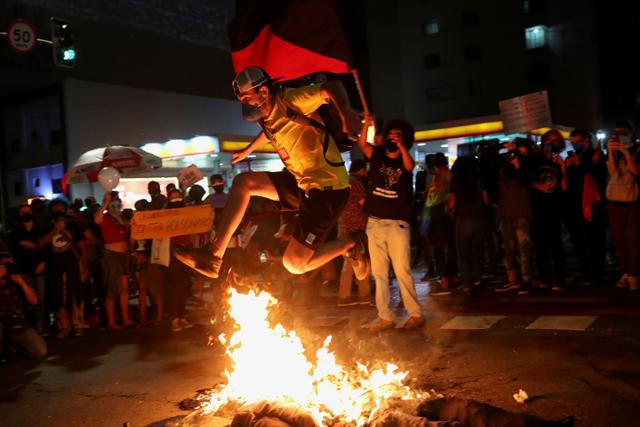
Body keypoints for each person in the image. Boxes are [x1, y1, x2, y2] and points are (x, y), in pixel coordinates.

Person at [175, 66, 369, 282]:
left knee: (294, 264)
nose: (244, 103)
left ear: (264, 92)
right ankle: (213, 256)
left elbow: (332, 87)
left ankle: (351, 244)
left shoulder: (290, 100)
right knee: (244, 182)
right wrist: (247, 151)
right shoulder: (268, 117)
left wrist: (346, 112)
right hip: (301, 184)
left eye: (246, 97)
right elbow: (270, 132)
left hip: (327, 190)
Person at [358, 118, 423, 331]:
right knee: (379, 272)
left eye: (398, 135)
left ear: (406, 139)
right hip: (375, 222)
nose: (393, 138)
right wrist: (366, 125)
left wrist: (402, 146)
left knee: (402, 270)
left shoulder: (405, 162)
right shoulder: (376, 155)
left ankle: (415, 314)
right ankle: (385, 317)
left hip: (397, 225)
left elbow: (409, 166)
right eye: (391, 135)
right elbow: (362, 145)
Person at [529, 129, 568, 291]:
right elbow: (527, 181)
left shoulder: (559, 162)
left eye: (555, 142)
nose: (551, 145)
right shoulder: (535, 161)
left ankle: (559, 279)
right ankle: (545, 277)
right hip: (538, 208)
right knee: (540, 245)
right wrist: (540, 186)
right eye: (549, 141)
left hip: (554, 208)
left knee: (556, 244)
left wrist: (563, 168)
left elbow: (564, 187)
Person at [495, 138, 534, 294]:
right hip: (505, 213)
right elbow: (489, 157)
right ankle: (512, 279)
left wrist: (519, 165)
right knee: (507, 248)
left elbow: (526, 180)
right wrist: (503, 147)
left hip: (521, 212)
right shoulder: (504, 167)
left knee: (524, 248)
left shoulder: (526, 166)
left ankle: (526, 279)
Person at [449, 156, 489, 294]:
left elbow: (451, 204)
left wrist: (450, 211)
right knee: (477, 252)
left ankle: (466, 283)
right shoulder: (478, 181)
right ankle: (477, 279)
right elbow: (486, 200)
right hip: (479, 219)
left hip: (464, 219)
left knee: (463, 254)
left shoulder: (457, 182)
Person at [606, 125, 639, 290]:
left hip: (632, 202)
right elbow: (612, 172)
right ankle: (625, 273)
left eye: (624, 133)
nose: (621, 137)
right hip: (614, 203)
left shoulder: (637, 151)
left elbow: (636, 171)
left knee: (633, 240)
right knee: (619, 240)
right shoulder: (614, 152)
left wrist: (626, 153)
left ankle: (632, 273)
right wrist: (611, 152)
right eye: (618, 133)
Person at [95, 192, 134, 330]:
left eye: (117, 204)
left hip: (124, 256)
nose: (115, 207)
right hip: (111, 256)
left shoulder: (121, 219)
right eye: (113, 205)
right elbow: (97, 220)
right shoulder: (105, 217)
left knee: (124, 289)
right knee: (112, 290)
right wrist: (105, 203)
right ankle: (111, 321)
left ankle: (125, 319)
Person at [336, 159, 371, 307]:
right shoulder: (357, 183)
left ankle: (345, 295)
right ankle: (363, 295)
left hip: (344, 226)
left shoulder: (342, 181)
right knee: (360, 260)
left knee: (350, 260)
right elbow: (363, 203)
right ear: (361, 169)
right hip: (356, 227)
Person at [0, 252, 47, 360]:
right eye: (2, 265)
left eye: (7, 265)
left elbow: (34, 301)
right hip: (2, 325)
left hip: (18, 324)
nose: (5, 268)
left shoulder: (16, 279)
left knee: (40, 351)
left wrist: (22, 284)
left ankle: (13, 348)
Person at [7, 204, 47, 332]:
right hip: (24, 269)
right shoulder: (15, 232)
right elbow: (13, 249)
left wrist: (43, 262)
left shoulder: (40, 229)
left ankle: (41, 323)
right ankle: (33, 324)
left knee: (41, 298)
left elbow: (45, 247)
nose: (25, 214)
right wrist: (21, 243)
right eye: (22, 212)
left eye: (28, 211)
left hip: (40, 268)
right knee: (28, 299)